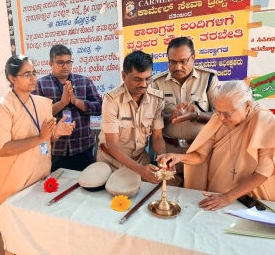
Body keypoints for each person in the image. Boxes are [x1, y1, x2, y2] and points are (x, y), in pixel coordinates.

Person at [0, 55, 75, 254]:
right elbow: (3, 149)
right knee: (16, 240)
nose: (33, 78)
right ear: (12, 78)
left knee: (38, 236)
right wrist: (41, 137)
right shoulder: (2, 106)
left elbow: (47, 138)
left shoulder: (42, 103)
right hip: (13, 181)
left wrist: (56, 133)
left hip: (39, 177)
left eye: (34, 73)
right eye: (26, 74)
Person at [157, 81, 275, 210]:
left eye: (227, 114)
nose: (222, 118)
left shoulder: (265, 122)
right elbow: (200, 156)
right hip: (217, 194)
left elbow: (262, 173)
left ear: (247, 106)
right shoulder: (218, 119)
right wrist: (178, 157)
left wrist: (228, 197)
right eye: (217, 111)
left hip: (250, 199)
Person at [152, 36, 220, 186]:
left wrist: (196, 116)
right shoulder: (157, 83)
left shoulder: (208, 78)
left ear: (193, 58)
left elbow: (220, 116)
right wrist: (171, 117)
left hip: (198, 152)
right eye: (173, 62)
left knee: (196, 198)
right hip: (168, 151)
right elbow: (152, 122)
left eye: (183, 61)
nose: (178, 67)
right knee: (167, 197)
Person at [96, 51, 166, 184]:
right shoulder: (112, 100)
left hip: (141, 160)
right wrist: (140, 170)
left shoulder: (157, 99)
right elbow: (112, 144)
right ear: (124, 75)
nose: (144, 84)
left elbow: (157, 137)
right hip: (111, 163)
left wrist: (163, 155)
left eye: (147, 79)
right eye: (137, 79)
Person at [32, 44, 102, 172]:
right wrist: (62, 103)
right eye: (60, 62)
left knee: (87, 186)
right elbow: (36, 115)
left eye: (68, 62)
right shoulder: (40, 85)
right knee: (57, 188)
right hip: (55, 150)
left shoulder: (84, 81)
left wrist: (76, 101)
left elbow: (99, 107)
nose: (65, 66)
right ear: (50, 63)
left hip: (83, 147)